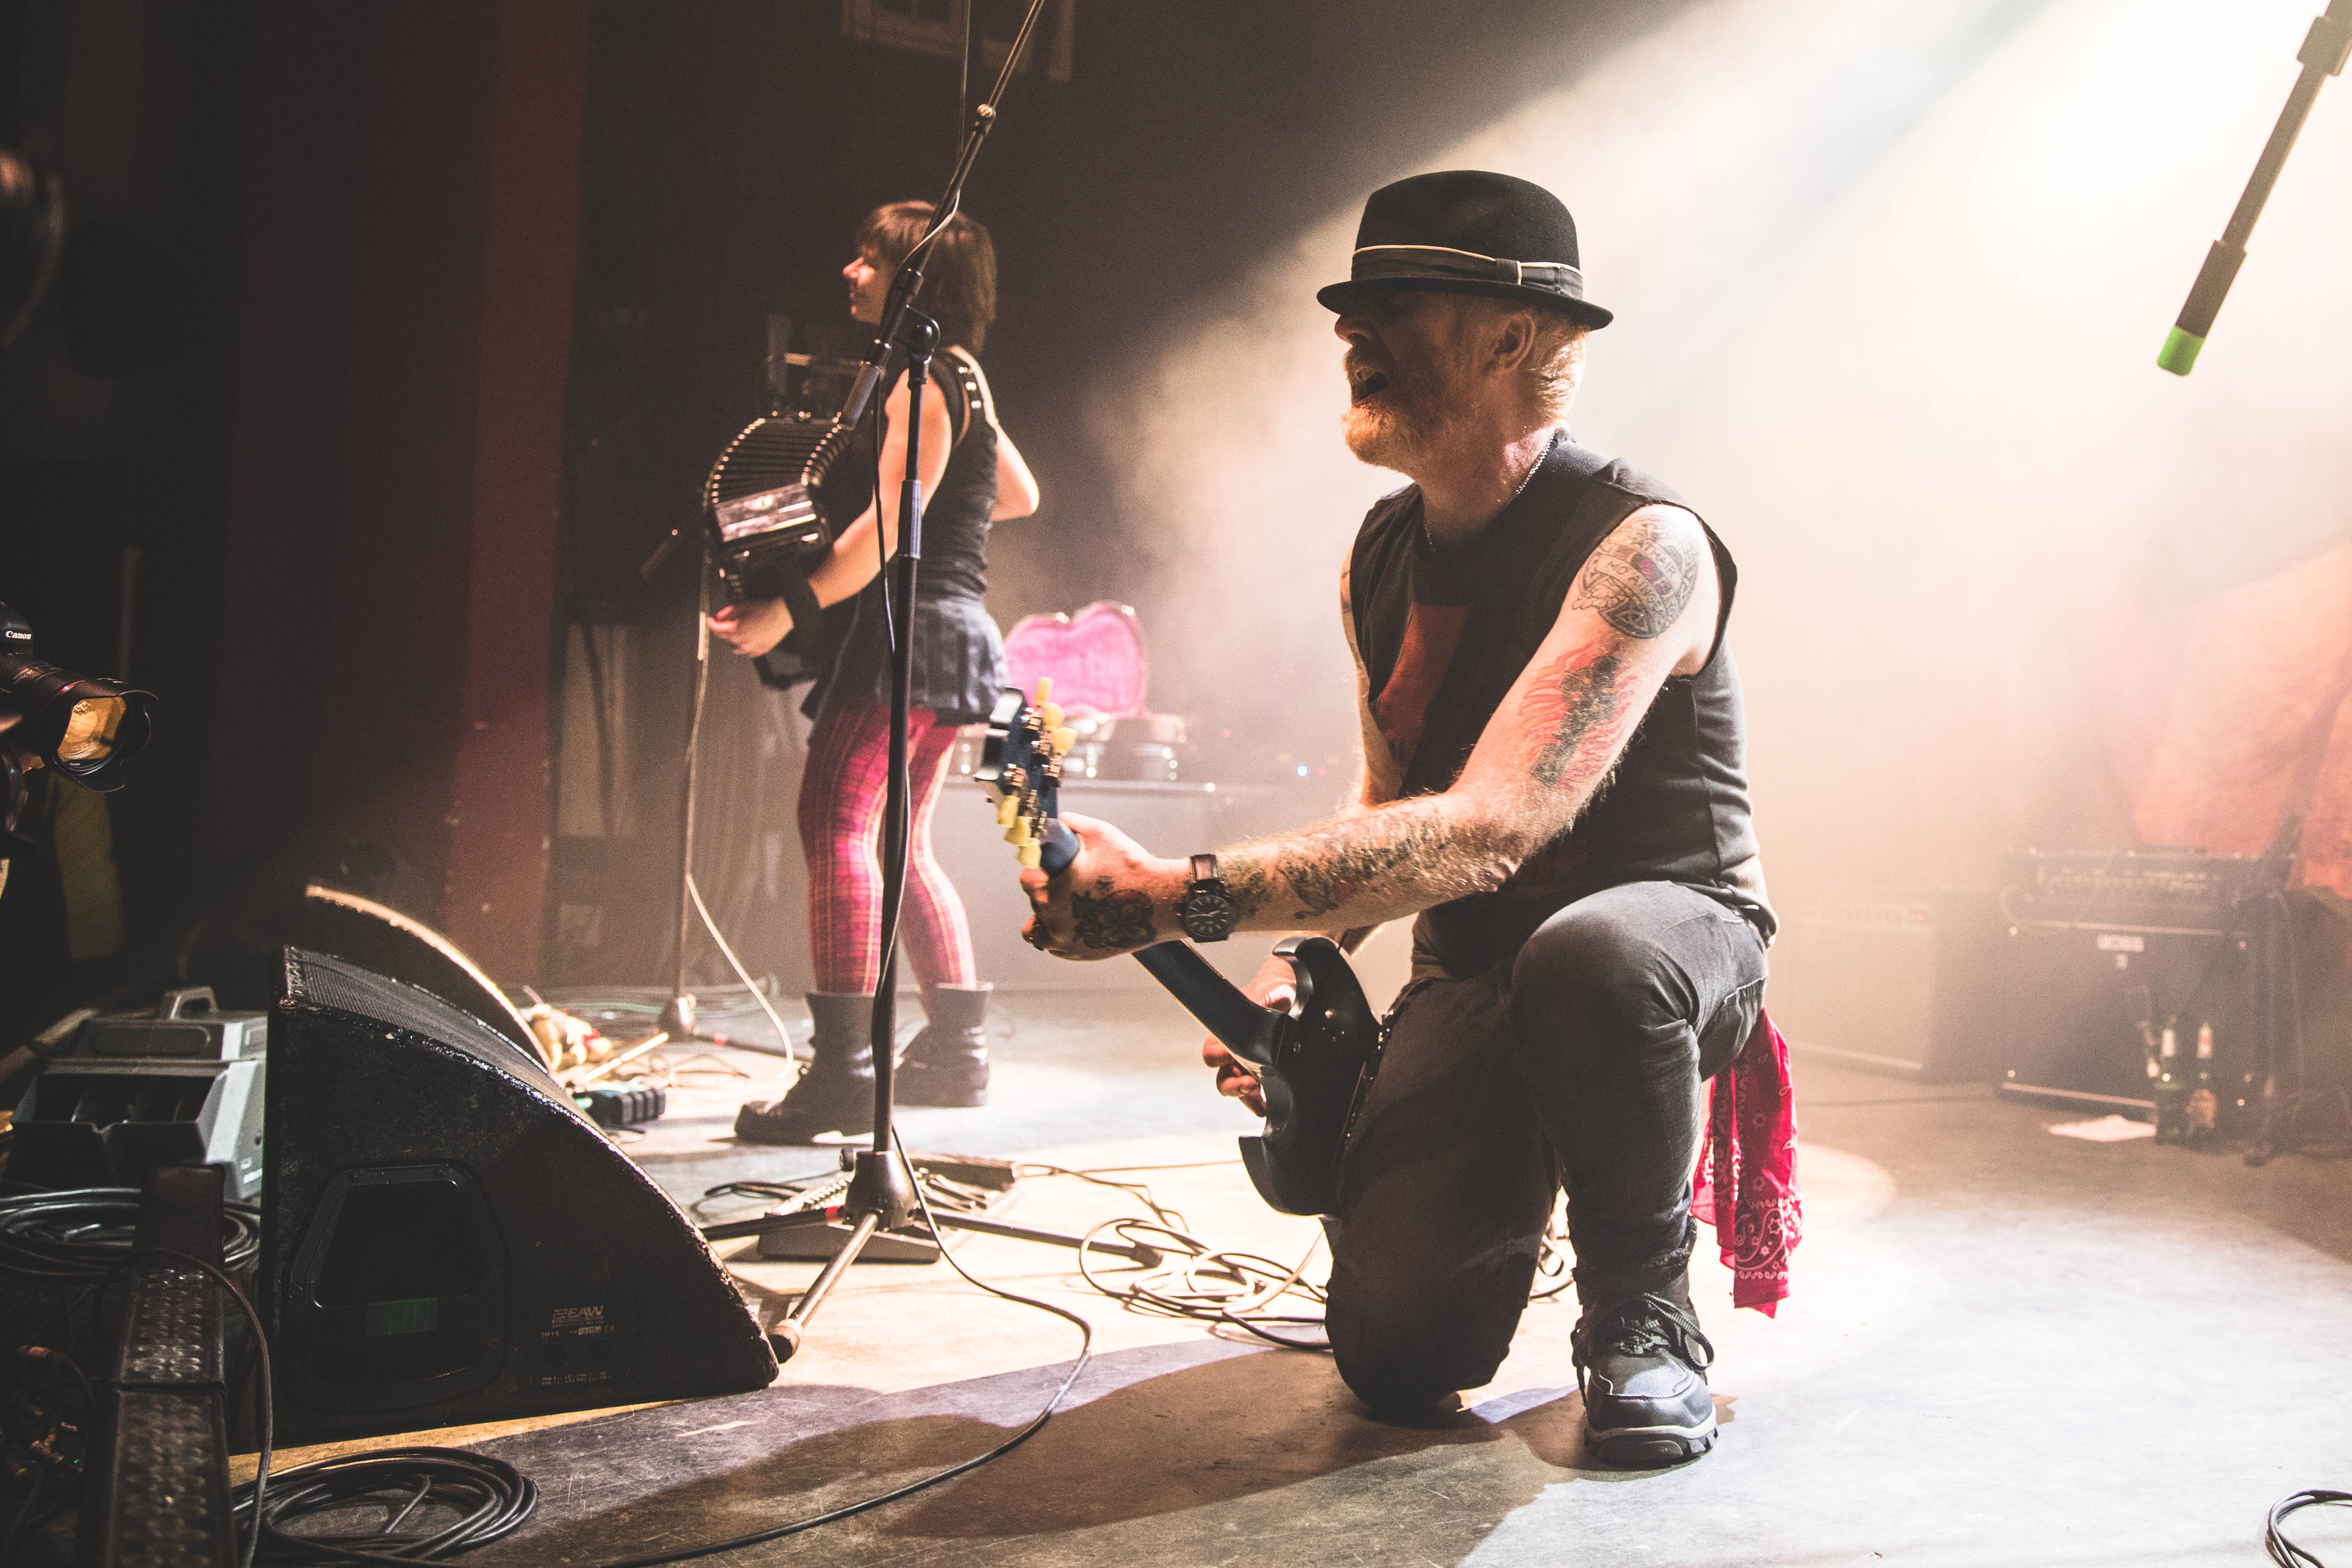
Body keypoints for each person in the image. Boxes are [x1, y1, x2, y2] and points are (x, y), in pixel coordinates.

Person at [1018, 171, 1776, 1466]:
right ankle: (1495, 1178)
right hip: (1478, 963)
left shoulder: (1646, 546)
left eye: (1395, 305)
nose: (1347, 330)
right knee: (1396, 1357)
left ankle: (1641, 1311)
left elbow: (1486, 829)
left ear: (1508, 339)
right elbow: (1391, 806)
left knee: (1588, 960)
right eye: (1348, 307)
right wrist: (1291, 967)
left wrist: (1178, 896)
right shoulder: (1375, 557)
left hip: (1665, 941)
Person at [712, 200, 1040, 1141]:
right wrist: (950, 509)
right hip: (955, 634)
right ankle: (956, 1052)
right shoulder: (962, 375)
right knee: (901, 842)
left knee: (835, 822)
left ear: (916, 279)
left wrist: (788, 607)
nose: (851, 273)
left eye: (868, 259)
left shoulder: (923, 380)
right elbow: (1017, 493)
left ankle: (844, 1074)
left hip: (915, 634)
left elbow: (889, 528)